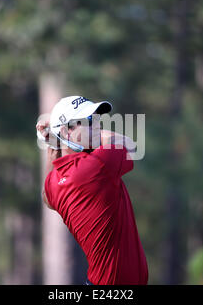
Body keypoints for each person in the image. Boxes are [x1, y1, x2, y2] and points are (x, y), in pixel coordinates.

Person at [36, 96, 148, 285]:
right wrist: (58, 137)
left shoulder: (55, 182)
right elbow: (129, 144)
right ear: (66, 131)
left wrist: (54, 142)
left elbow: (47, 197)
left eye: (97, 120)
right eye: (89, 121)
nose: (96, 125)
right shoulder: (96, 166)